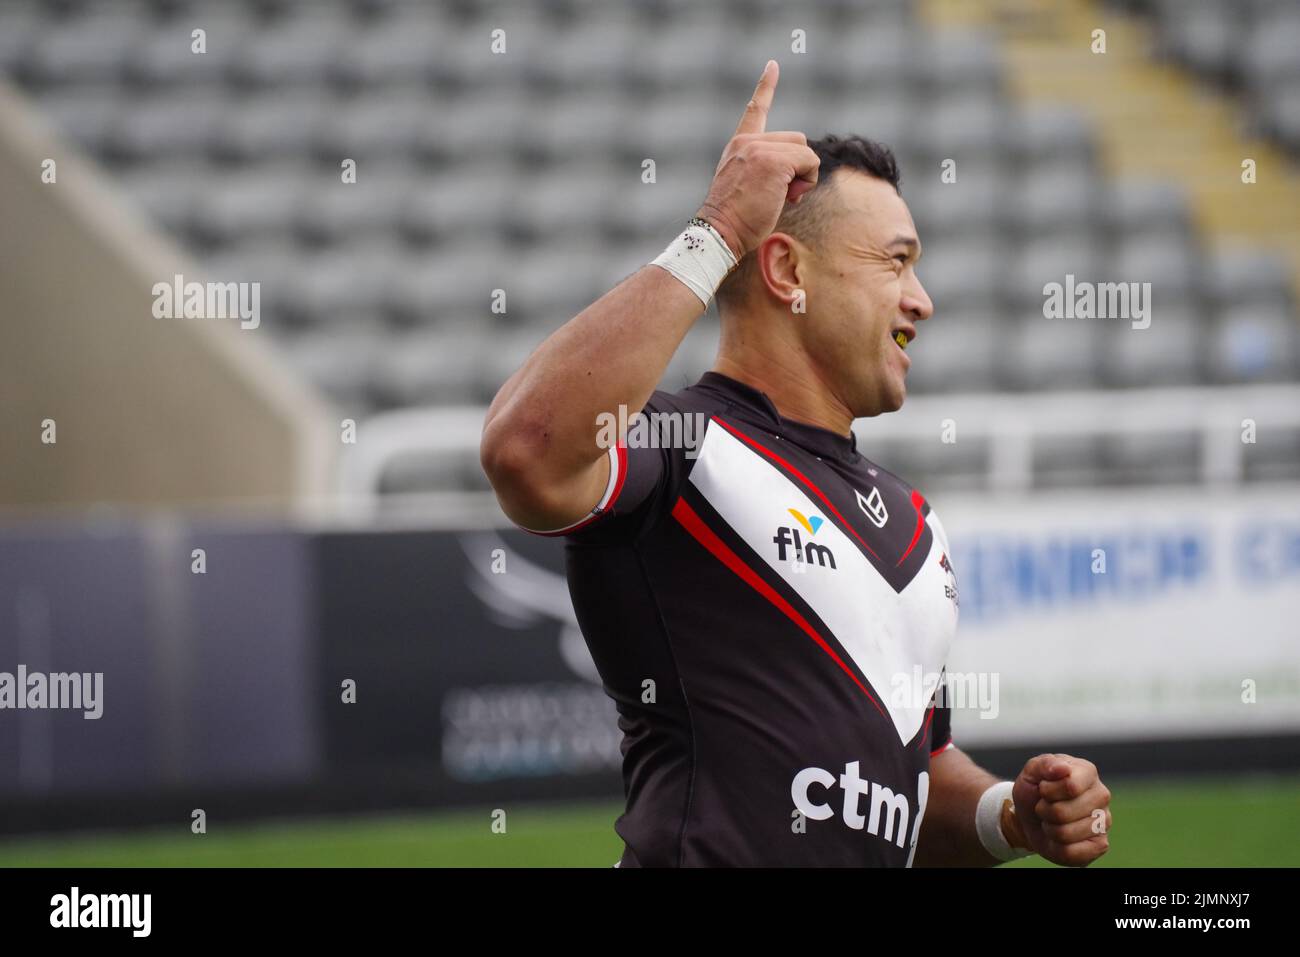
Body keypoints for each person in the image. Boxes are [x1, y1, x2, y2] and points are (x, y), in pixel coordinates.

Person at [481, 60, 1112, 866]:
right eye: (895, 260)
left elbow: (906, 780)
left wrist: (1008, 817)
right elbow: (525, 450)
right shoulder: (684, 446)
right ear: (786, 272)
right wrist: (716, 231)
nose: (922, 298)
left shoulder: (915, 527)